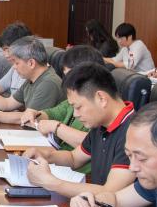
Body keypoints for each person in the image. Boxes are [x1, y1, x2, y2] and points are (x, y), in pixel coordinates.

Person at [23, 63, 137, 200]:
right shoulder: (101, 123)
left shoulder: (133, 132)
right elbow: (74, 158)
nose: (75, 114)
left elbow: (110, 192)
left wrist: (51, 182)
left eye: (78, 107)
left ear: (101, 99)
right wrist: (45, 155)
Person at [19, 45, 105, 175]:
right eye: (65, 76)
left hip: (83, 176)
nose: (66, 81)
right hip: (65, 166)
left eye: (71, 76)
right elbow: (54, 113)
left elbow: (91, 142)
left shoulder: (100, 108)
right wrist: (35, 114)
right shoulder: (74, 99)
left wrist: (56, 127)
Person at [0, 37, 64, 120]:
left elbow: (29, 118)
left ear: (31, 63)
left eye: (16, 63)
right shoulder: (31, 79)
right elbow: (8, 103)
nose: (14, 67)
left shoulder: (48, 83)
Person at [0, 22, 32, 96]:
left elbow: (20, 101)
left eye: (8, 50)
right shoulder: (15, 66)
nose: (5, 55)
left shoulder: (33, 70)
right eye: (4, 50)